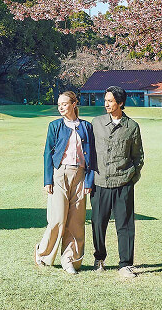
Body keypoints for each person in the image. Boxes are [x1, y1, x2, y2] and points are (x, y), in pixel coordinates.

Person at [35, 91, 95, 274]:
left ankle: (70, 259)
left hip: (80, 175)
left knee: (76, 221)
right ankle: (43, 254)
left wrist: (89, 181)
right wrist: (48, 180)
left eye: (64, 104)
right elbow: (48, 153)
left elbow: (93, 155)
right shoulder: (54, 126)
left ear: (74, 104)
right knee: (58, 218)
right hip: (59, 174)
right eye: (59, 104)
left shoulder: (86, 126)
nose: (60, 107)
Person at [91, 86, 144, 278]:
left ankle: (125, 264)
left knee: (125, 224)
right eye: (105, 100)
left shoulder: (132, 127)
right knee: (98, 223)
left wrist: (131, 177)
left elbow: (138, 156)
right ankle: (99, 259)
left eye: (110, 101)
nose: (106, 104)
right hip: (99, 182)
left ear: (120, 103)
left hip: (123, 183)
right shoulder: (96, 123)